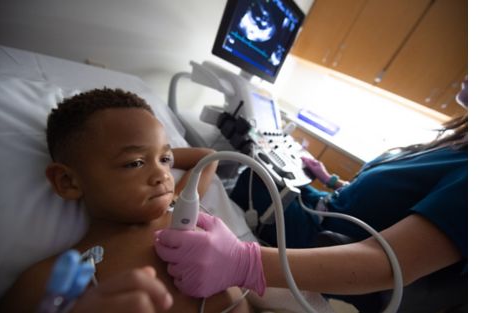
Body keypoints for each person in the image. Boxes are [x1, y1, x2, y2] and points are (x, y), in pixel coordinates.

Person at [155, 78, 468, 312]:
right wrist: (332, 180)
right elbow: (397, 205)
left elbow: (393, 262)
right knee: (259, 173)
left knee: (253, 176)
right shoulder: (457, 144)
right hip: (324, 206)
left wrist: (243, 263)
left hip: (328, 242)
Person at [0, 88, 251, 313]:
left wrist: (150, 153)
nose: (162, 175)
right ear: (68, 181)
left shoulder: (177, 203)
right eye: (134, 164)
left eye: (165, 161)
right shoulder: (55, 277)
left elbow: (207, 158)